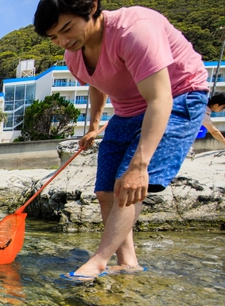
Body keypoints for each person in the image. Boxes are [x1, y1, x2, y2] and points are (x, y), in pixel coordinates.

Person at [33, 0, 209, 280]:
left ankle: (100, 261)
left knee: (126, 183)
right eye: (54, 37)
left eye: (67, 28)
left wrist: (140, 166)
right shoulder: (73, 55)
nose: (63, 41)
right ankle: (128, 263)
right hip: (126, 111)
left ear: (91, 7)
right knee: (105, 192)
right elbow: (97, 84)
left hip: (177, 97)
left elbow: (159, 98)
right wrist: (92, 126)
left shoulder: (134, 30)